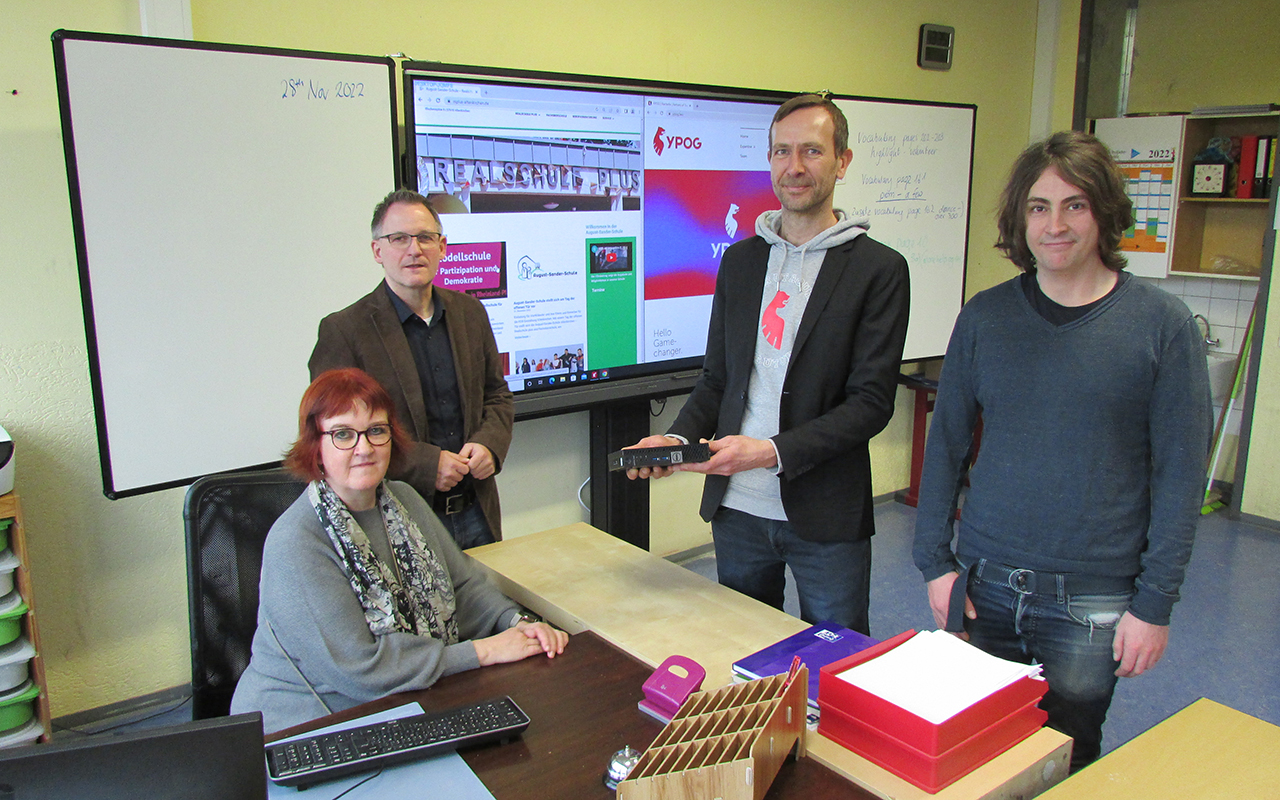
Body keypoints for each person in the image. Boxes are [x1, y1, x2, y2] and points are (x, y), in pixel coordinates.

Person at [912, 131, 1211, 771]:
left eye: (1075, 205)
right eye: (1039, 207)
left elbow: (1182, 477)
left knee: (1067, 758)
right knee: (979, 754)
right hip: (984, 584)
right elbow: (946, 448)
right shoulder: (986, 319)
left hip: (1095, 597)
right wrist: (935, 563)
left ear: (1104, 213)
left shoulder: (1163, 326)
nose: (1055, 224)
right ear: (1021, 220)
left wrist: (1154, 605)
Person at [626, 95, 910, 635]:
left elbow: (871, 404)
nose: (794, 167)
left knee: (836, 664)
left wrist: (771, 452)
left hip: (825, 516)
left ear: (842, 161)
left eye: (811, 151)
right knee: (745, 654)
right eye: (782, 151)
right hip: (737, 510)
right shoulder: (741, 261)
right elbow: (717, 380)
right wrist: (677, 438)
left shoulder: (878, 270)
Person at [231, 368, 566, 734]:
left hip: (401, 702)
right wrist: (483, 651)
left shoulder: (403, 499)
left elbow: (463, 587)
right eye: (343, 434)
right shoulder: (297, 542)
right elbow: (361, 668)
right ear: (316, 447)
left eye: (376, 430)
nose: (364, 448)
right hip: (305, 727)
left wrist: (517, 623)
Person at [310, 189, 514, 548]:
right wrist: (424, 464)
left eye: (425, 238)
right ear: (378, 251)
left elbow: (496, 394)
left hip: (478, 510)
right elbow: (335, 437)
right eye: (399, 238)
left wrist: (489, 445)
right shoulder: (344, 331)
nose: (414, 249)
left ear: (443, 247)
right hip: (398, 519)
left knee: (489, 602)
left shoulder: (470, 312)